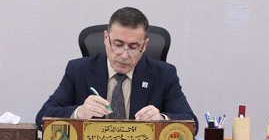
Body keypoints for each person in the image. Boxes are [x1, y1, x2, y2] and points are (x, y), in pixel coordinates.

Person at [35, 7, 198, 130]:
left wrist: (162, 120)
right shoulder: (78, 70)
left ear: (145, 45)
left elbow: (192, 124)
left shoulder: (164, 74)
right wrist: (79, 113)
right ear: (106, 38)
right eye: (118, 45)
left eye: (133, 47)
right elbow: (42, 117)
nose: (124, 55)